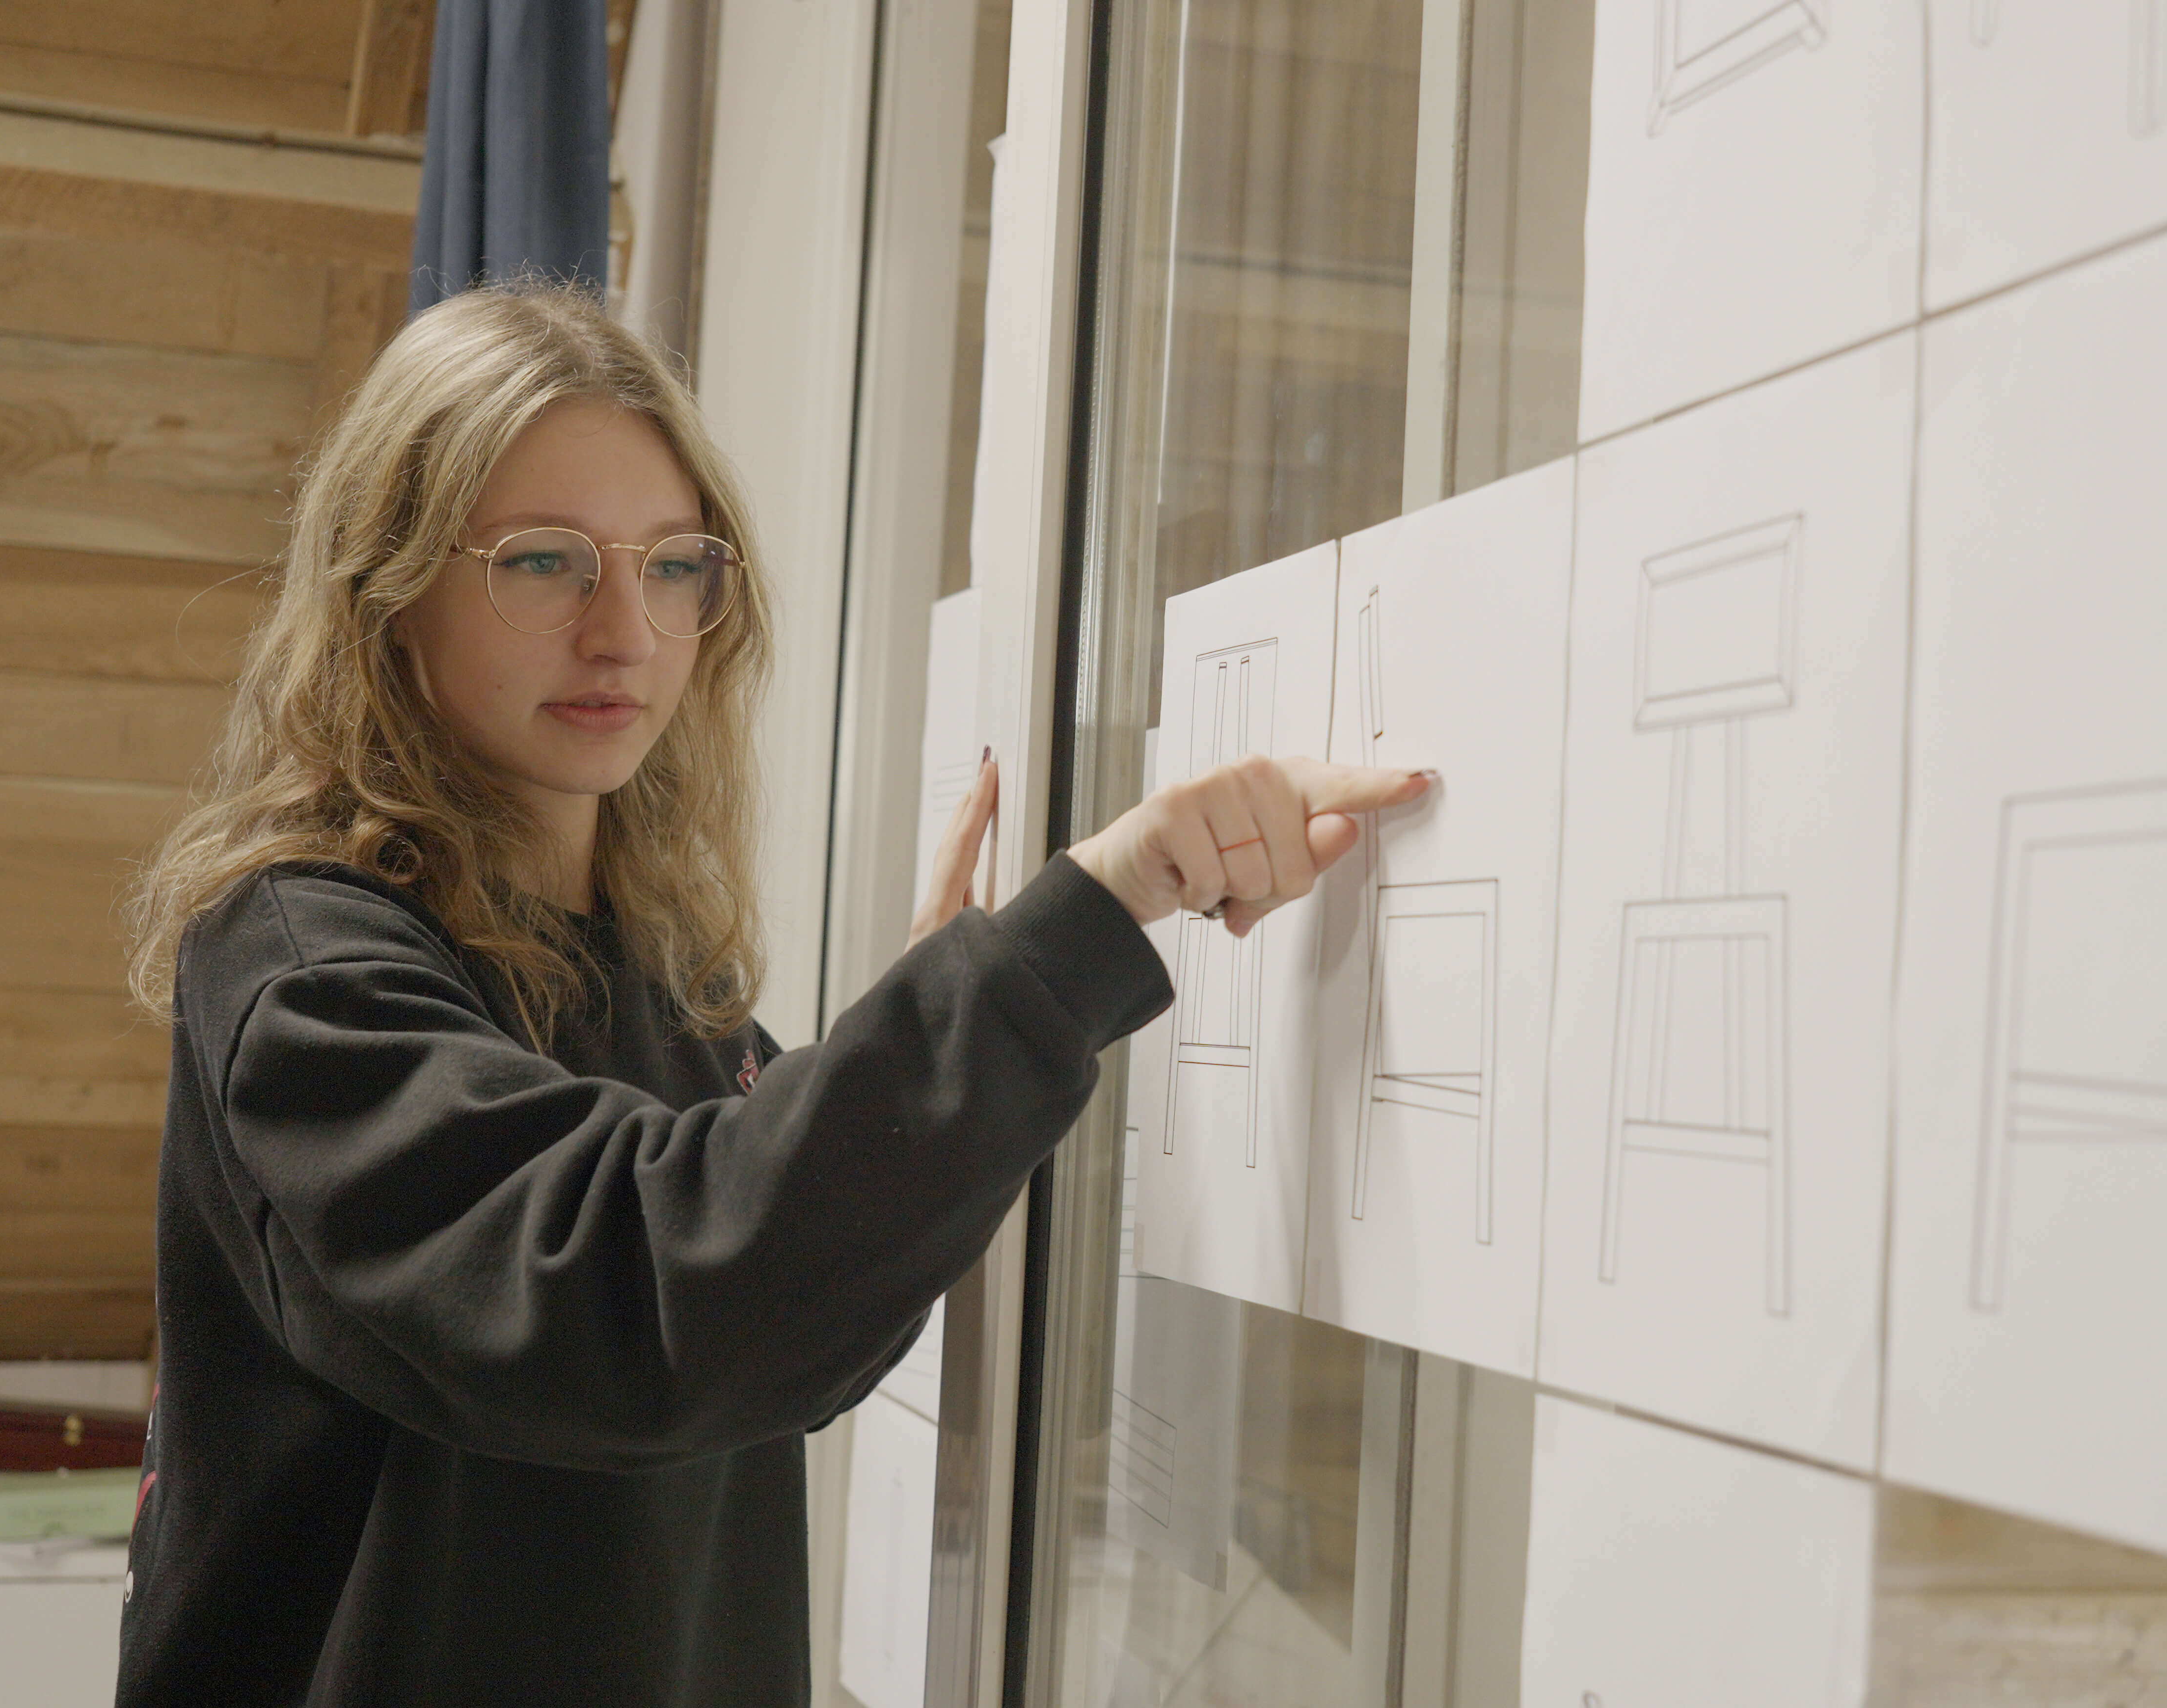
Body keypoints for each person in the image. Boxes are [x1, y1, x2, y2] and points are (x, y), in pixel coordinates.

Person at [110, 282, 1423, 1706]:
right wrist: (1079, 928)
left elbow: (785, 1311)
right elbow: (642, 1294)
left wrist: (946, 1004)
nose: (623, 632)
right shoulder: (308, 969)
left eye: (674, 565)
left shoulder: (667, 973)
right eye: (543, 563)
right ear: (390, 593)